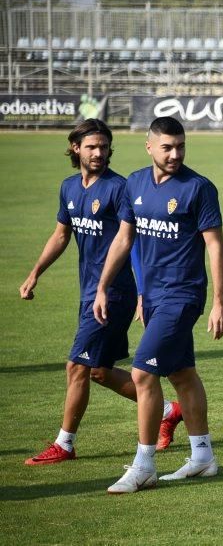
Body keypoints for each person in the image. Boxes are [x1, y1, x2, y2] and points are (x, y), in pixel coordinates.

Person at [20, 119, 183, 467]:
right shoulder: (69, 188)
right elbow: (61, 234)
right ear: (75, 148)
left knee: (76, 366)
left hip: (114, 294)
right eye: (91, 146)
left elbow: (133, 242)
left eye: (104, 147)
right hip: (89, 293)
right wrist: (35, 273)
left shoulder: (120, 188)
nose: (98, 153)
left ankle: (64, 444)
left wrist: (139, 293)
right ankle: (168, 411)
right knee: (99, 371)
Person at [93, 116, 223, 494]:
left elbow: (215, 246)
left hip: (183, 296)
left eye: (180, 147)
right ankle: (203, 457)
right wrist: (103, 287)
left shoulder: (199, 188)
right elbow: (123, 239)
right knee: (182, 374)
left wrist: (220, 302)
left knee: (142, 374)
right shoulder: (134, 183)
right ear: (149, 146)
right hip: (152, 296)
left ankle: (144, 464)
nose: (175, 154)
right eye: (167, 147)